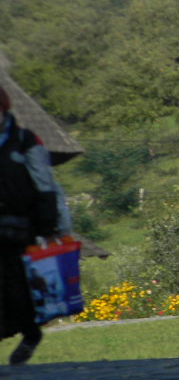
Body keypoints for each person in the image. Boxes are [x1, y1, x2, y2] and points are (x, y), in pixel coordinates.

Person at [0, 84, 72, 366]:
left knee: (18, 286)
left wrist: (50, 227)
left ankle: (30, 334)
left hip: (21, 226)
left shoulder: (26, 141)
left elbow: (46, 185)